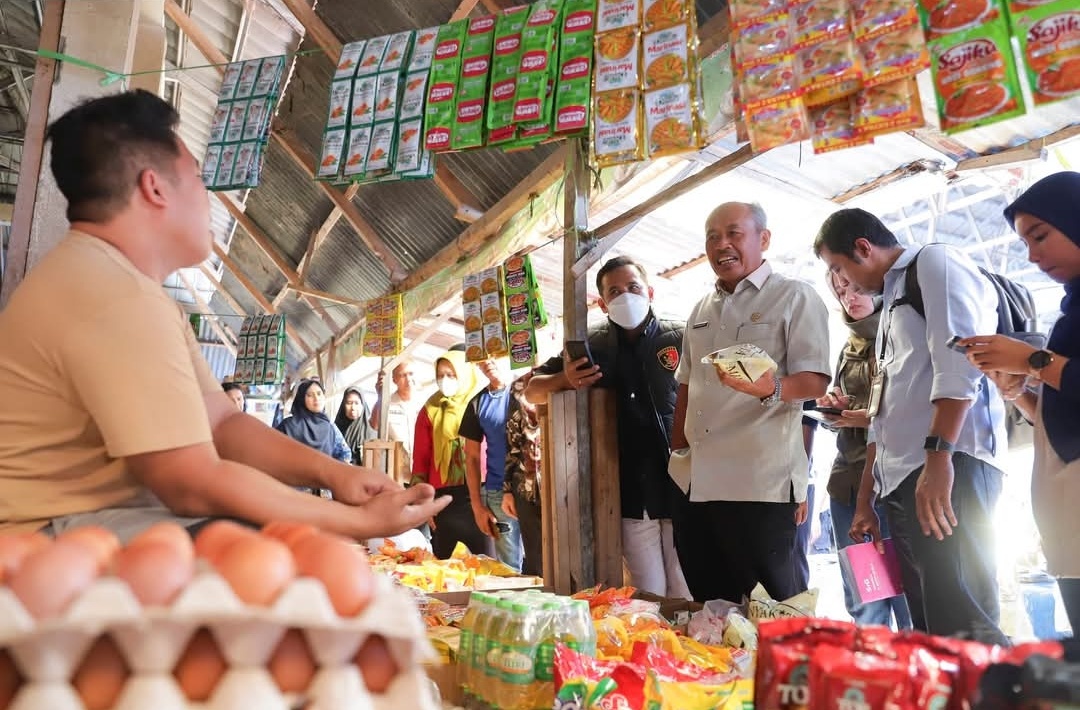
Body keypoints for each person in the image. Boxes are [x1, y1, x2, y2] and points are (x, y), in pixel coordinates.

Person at [0, 90, 448, 542]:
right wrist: (358, 522)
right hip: (38, 539)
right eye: (197, 178)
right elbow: (190, 483)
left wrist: (337, 475)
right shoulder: (114, 296)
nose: (207, 197)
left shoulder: (112, 283)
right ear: (155, 188)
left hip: (82, 525)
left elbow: (222, 424)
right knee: (268, 544)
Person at [815, 207, 1009, 645]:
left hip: (950, 466)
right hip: (906, 479)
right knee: (929, 626)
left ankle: (1001, 683)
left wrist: (939, 459)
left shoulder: (935, 263)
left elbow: (959, 366)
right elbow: (885, 412)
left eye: (839, 267)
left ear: (863, 247)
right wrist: (867, 499)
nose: (842, 281)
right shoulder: (891, 301)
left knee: (963, 620)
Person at [671, 201, 830, 604]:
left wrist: (771, 387)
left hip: (760, 483)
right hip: (698, 482)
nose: (721, 244)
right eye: (712, 237)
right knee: (710, 606)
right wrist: (677, 453)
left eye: (733, 233)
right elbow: (686, 385)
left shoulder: (794, 296)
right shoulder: (700, 309)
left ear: (764, 239)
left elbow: (815, 380)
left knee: (772, 607)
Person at [526, 255, 691, 599]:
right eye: (614, 292)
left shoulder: (682, 335)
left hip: (682, 483)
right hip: (630, 491)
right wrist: (564, 379)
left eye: (633, 287)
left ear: (650, 292)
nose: (625, 296)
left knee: (685, 587)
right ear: (602, 303)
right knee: (649, 592)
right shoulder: (592, 343)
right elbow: (532, 390)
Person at [959, 171, 1080, 634]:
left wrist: (1031, 360)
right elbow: (1067, 413)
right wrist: (1019, 392)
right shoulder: (1072, 311)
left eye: (1041, 235)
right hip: (1063, 506)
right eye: (1025, 242)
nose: (1032, 255)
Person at [818, 270, 913, 629]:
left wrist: (867, 418)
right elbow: (843, 412)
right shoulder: (849, 345)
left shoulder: (905, 334)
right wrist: (833, 409)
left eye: (856, 287)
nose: (849, 297)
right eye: (841, 290)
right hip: (847, 481)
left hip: (893, 483)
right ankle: (872, 662)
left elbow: (908, 413)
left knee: (909, 600)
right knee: (865, 598)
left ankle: (914, 663)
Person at [412, 348, 493, 559]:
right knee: (445, 565)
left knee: (486, 562)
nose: (444, 380)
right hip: (443, 499)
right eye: (440, 375)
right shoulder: (429, 409)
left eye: (451, 374)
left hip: (480, 492)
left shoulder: (482, 402)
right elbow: (420, 459)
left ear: (464, 373)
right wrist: (424, 502)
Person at [460, 358, 524, 571]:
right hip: (497, 492)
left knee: (543, 561)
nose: (488, 361)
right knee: (509, 568)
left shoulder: (529, 391)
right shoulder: (477, 403)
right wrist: (477, 506)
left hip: (534, 491)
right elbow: (471, 457)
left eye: (495, 353)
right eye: (482, 356)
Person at [503, 371, 543, 577]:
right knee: (537, 560)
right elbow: (513, 442)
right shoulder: (519, 386)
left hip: (566, 485)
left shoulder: (567, 375)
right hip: (527, 487)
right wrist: (507, 490)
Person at [371, 360, 423, 480]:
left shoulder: (424, 402)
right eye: (403, 375)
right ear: (394, 380)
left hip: (421, 471)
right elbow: (375, 425)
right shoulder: (387, 403)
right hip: (397, 474)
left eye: (411, 374)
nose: (408, 379)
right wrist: (380, 397)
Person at [335, 386, 372, 465]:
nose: (353, 408)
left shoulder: (371, 429)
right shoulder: (336, 429)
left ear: (362, 405)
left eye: (356, 403)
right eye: (349, 403)